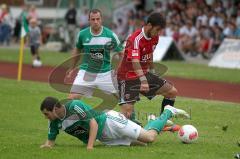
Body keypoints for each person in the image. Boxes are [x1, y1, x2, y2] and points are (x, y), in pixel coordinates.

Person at [40, 96, 189, 149]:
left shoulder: (74, 106)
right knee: (143, 144)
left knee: (150, 138)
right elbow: (51, 140)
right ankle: (152, 121)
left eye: (47, 113)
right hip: (104, 137)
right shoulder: (54, 122)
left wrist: (90, 147)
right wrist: (47, 146)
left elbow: (93, 122)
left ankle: (168, 111)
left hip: (110, 122)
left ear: (55, 108)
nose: (46, 117)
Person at [117, 12, 178, 121]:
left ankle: (162, 123)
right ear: (149, 25)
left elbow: (149, 54)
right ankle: (109, 128)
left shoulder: (155, 37)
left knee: (171, 92)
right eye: (158, 29)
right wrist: (144, 81)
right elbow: (135, 61)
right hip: (127, 78)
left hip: (143, 74)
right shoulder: (135, 39)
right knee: (127, 113)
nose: (159, 33)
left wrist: (152, 70)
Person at [66, 9, 123, 100]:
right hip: (86, 72)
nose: (96, 22)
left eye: (98, 19)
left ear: (101, 19)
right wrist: (72, 67)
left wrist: (118, 69)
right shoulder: (82, 34)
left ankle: (131, 114)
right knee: (71, 98)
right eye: (93, 19)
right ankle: (76, 114)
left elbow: (122, 53)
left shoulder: (110, 35)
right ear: (89, 20)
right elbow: (77, 50)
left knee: (122, 99)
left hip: (106, 73)